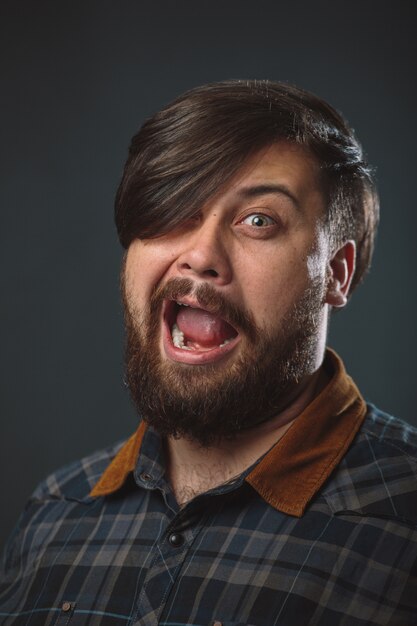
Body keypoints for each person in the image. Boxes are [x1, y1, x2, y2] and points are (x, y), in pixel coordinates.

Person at [0, 80, 416, 626]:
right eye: (174, 208)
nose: (200, 255)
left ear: (334, 274)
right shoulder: (52, 515)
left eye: (259, 221)